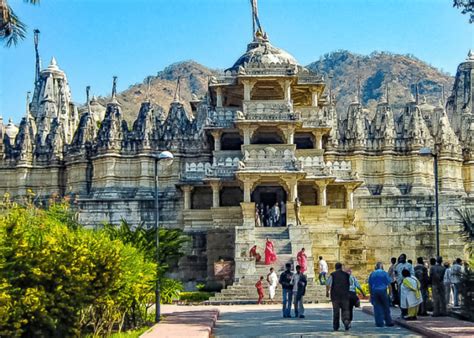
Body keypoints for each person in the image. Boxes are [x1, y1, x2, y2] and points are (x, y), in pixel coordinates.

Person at [326, 262, 351, 331]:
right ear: (341, 267)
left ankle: (336, 326)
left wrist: (327, 292)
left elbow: (328, 284)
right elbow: (351, 284)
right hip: (345, 296)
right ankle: (346, 322)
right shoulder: (347, 275)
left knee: (336, 311)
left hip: (335, 296)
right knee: (345, 310)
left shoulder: (333, 275)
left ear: (335, 267)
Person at [368, 262, 394, 327]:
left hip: (375, 292)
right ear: (382, 267)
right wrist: (390, 294)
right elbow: (389, 285)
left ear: (376, 267)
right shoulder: (384, 273)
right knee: (386, 307)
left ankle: (379, 322)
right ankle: (388, 321)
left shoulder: (372, 274)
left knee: (377, 307)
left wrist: (371, 294)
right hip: (383, 291)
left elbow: (370, 285)